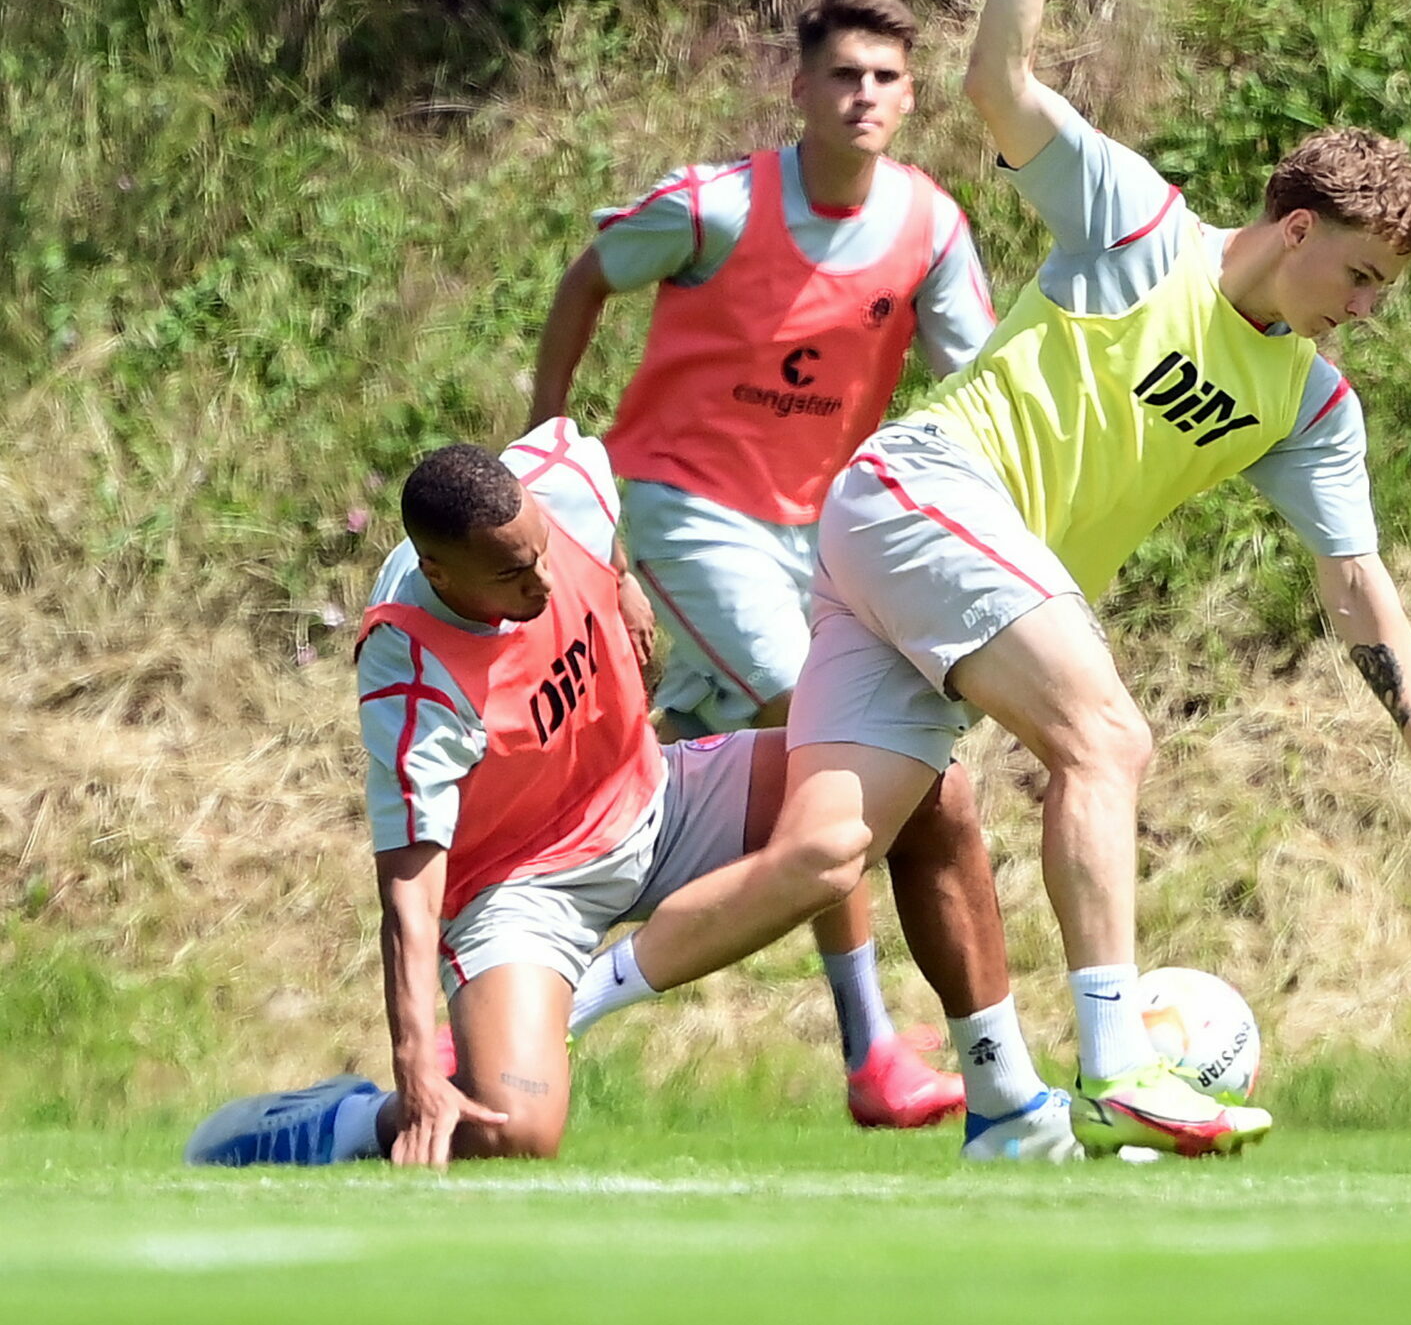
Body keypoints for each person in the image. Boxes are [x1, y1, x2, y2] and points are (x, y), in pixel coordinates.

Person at [574, 0, 1411, 1160]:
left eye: (1385, 292)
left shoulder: (1310, 405)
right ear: (1294, 227)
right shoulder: (1137, 224)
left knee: (825, 853)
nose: (1365, 308)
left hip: (900, 564)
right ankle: (1117, 1063)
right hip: (926, 492)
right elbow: (997, 84)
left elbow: (1355, 583)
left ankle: (535, 1010)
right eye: (1359, 276)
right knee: (1106, 735)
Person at [183, 423, 1027, 1168]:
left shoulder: (555, 486)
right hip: (526, 888)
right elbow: (409, 890)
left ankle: (1006, 1103)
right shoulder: (411, 669)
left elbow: (586, 472)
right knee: (511, 1128)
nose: (544, 583)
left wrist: (621, 582)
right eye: (514, 576)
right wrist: (414, 1066)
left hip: (661, 796)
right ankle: (345, 1120)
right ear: (439, 572)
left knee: (930, 792)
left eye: (543, 551)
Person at [525, 0, 1001, 1128]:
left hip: (823, 533)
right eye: (842, 74)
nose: (864, 95)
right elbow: (589, 273)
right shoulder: (718, 207)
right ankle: (874, 1053)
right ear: (799, 90)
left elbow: (981, 385)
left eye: (886, 77)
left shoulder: (930, 227)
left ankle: (501, 975)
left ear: (911, 96)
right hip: (690, 510)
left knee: (641, 787)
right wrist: (543, 438)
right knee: (833, 737)